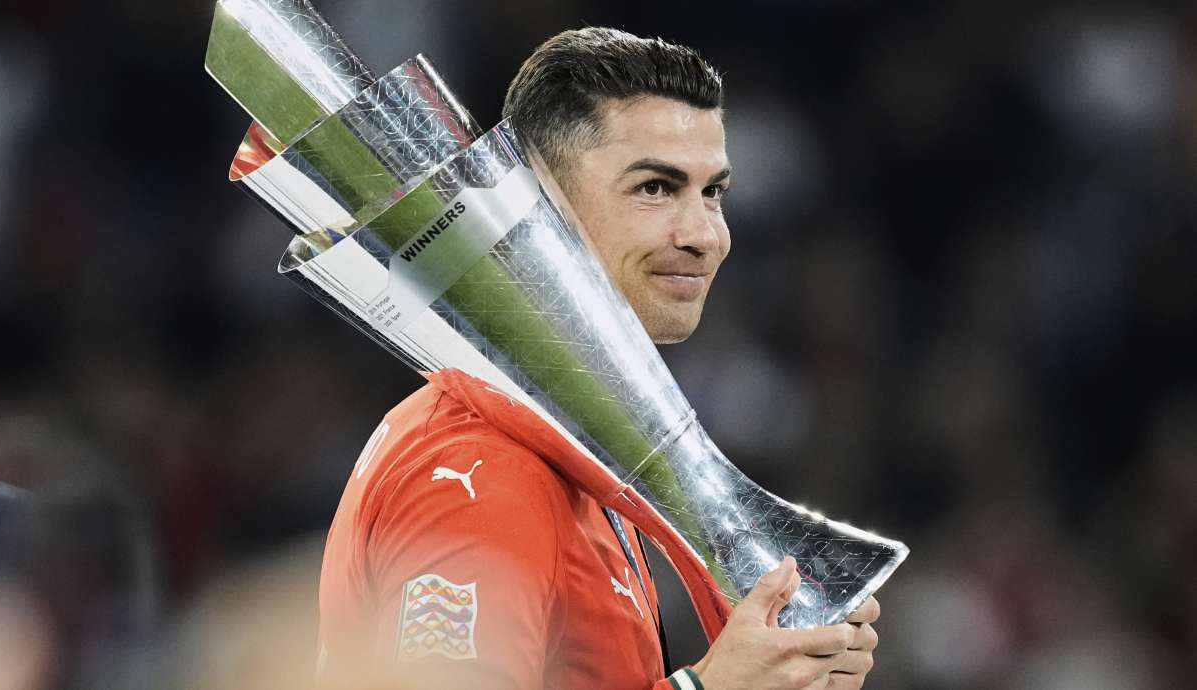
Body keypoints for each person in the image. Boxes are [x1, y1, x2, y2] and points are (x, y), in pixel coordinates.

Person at [318, 27, 880, 690]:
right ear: (540, 204)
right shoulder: (482, 467)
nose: (705, 235)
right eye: (655, 188)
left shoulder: (573, 446)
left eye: (713, 192)